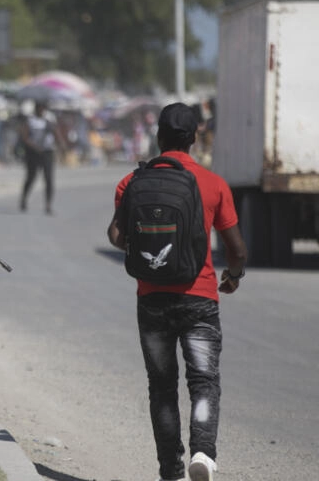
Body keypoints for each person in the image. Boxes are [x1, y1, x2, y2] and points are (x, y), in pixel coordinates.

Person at [106, 102, 248, 481]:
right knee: (203, 381)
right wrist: (233, 276)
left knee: (162, 387)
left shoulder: (132, 182)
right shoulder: (214, 184)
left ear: (159, 136)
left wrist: (147, 245)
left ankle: (171, 471)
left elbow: (116, 236)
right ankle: (202, 453)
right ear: (195, 138)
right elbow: (236, 248)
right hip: (200, 298)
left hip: (151, 300)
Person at [18, 100, 62, 214]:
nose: (41, 110)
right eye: (39, 108)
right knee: (31, 177)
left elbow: (56, 134)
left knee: (48, 178)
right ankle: (24, 199)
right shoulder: (30, 121)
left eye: (43, 108)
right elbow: (25, 137)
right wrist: (35, 147)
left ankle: (48, 204)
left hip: (47, 152)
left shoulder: (48, 122)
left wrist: (62, 145)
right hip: (33, 153)